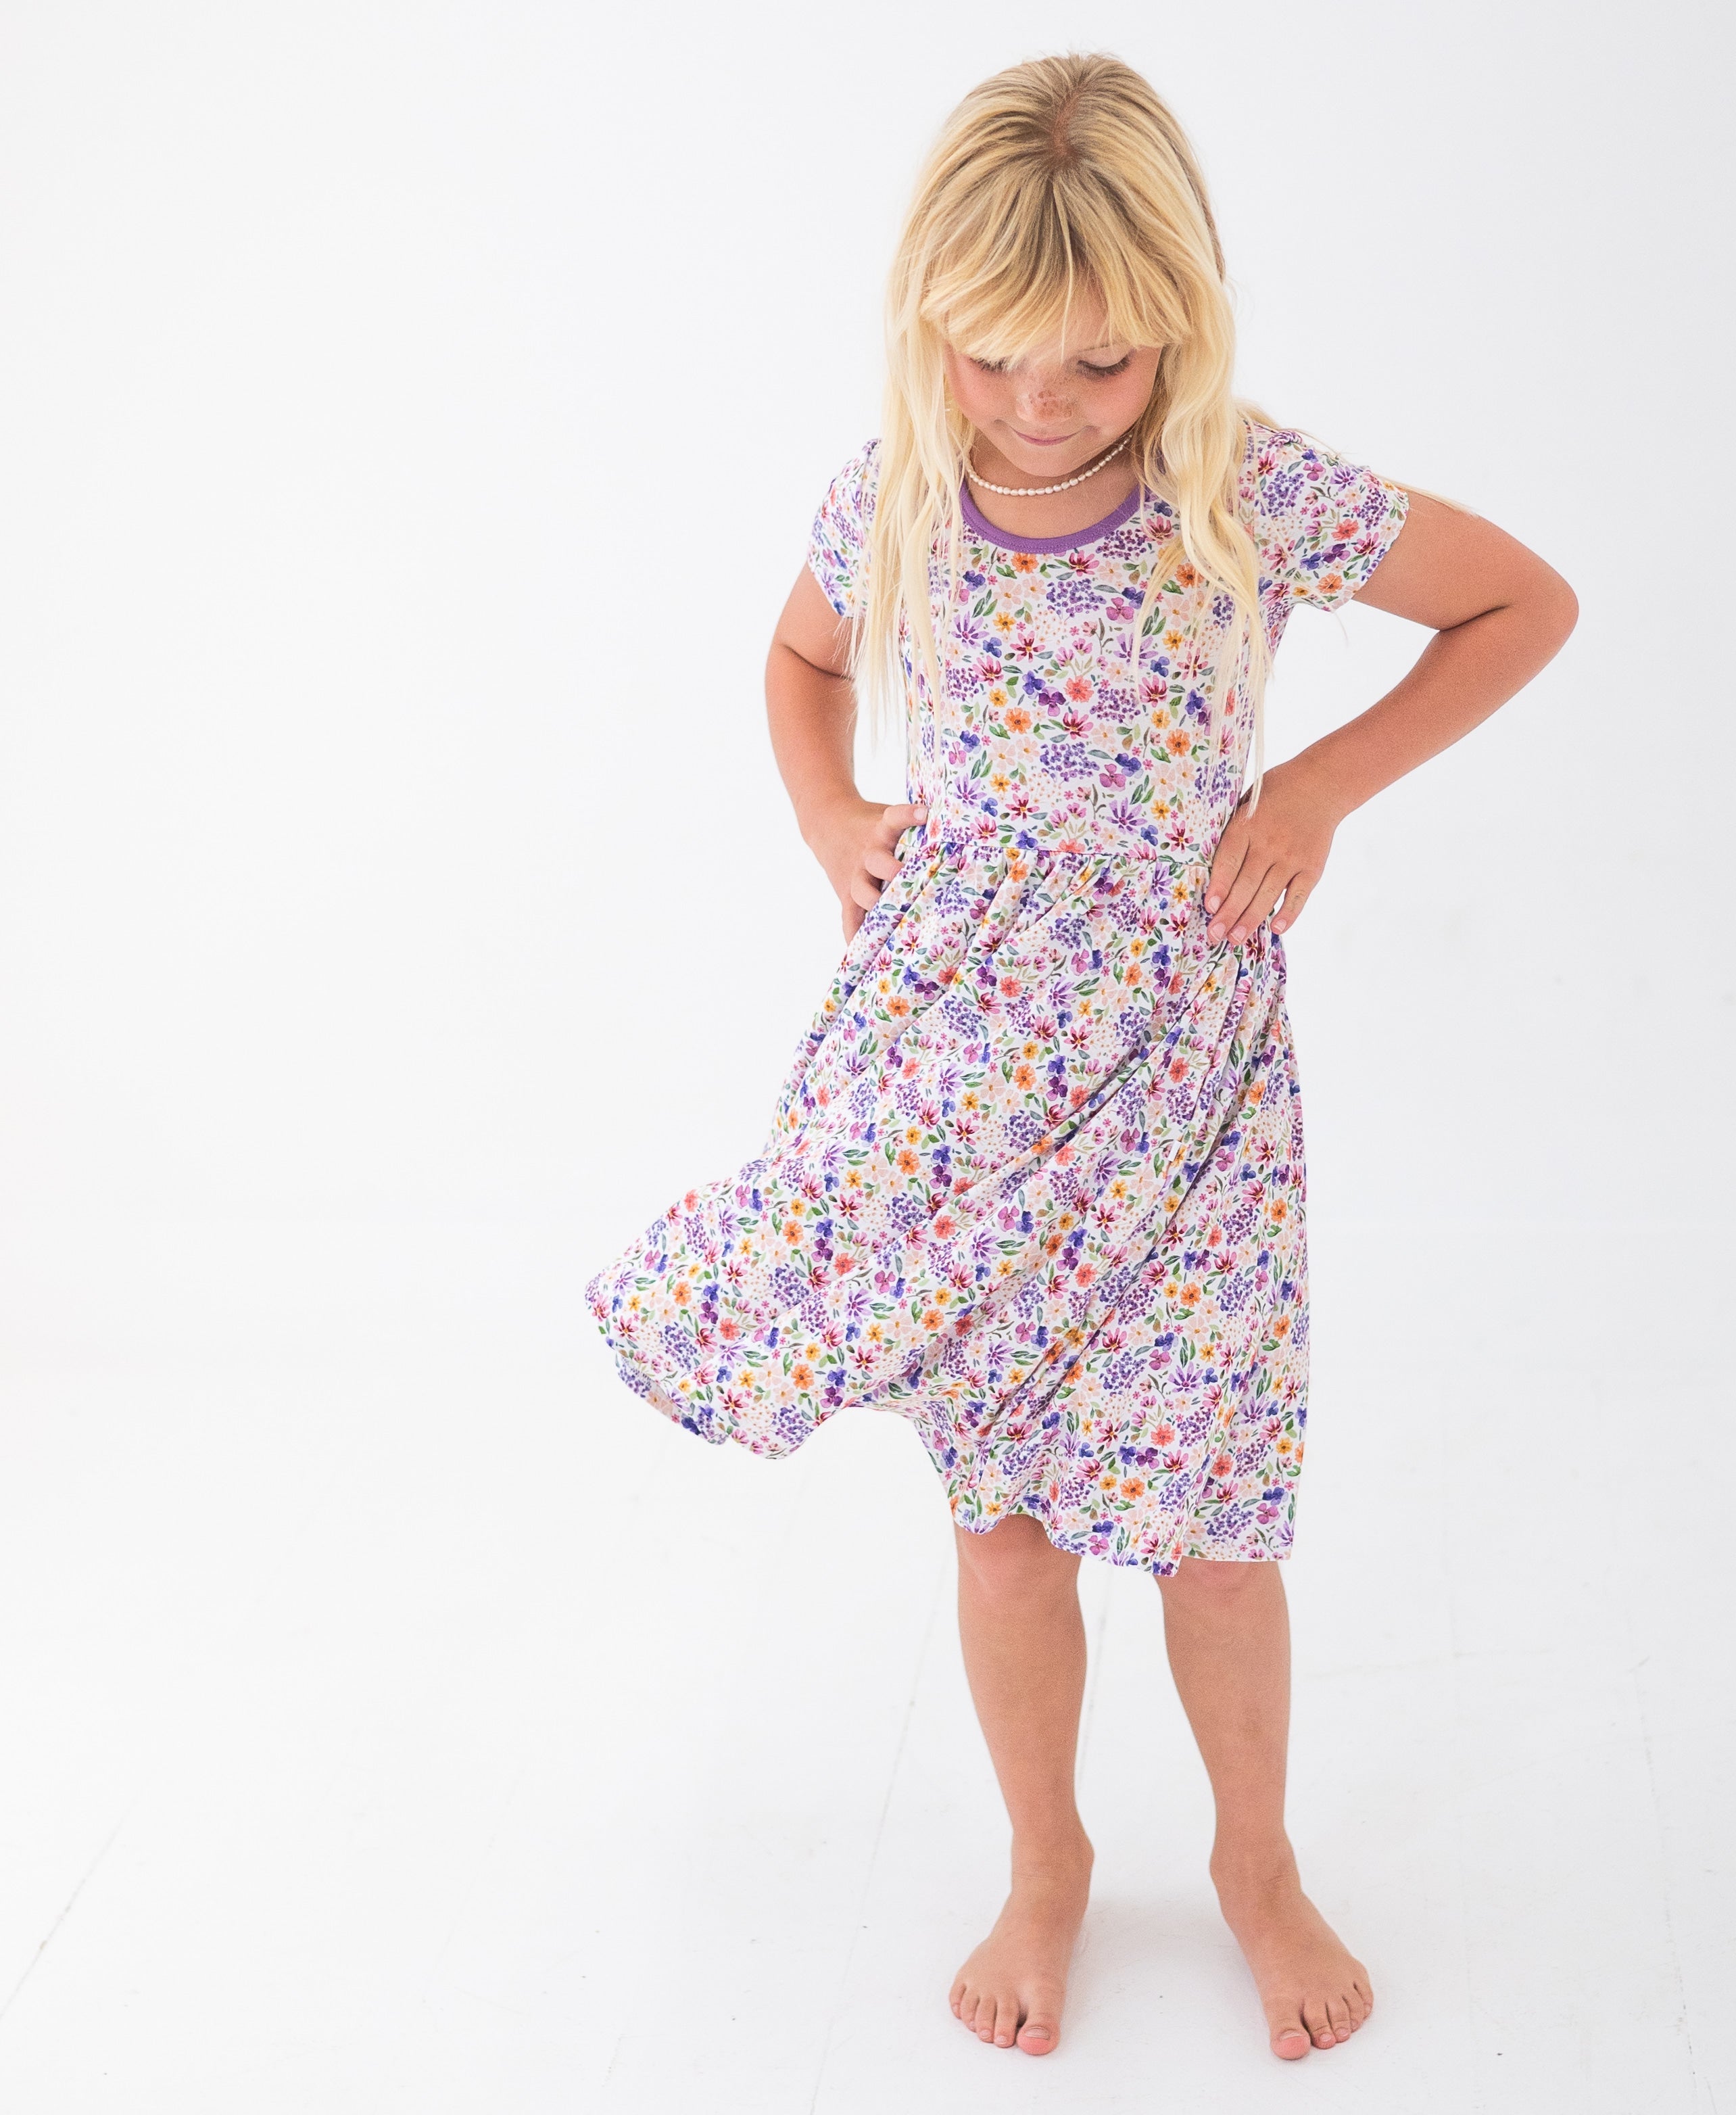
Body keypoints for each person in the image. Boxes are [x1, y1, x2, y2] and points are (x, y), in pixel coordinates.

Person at [585, 49, 1576, 2063]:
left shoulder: (1246, 493)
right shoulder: (897, 496)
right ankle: (1046, 1863)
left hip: (1187, 1078)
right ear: (927, 329)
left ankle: (1255, 1860)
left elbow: (1517, 605)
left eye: (1100, 367)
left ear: (1179, 334)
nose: (1041, 407)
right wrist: (825, 815)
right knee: (1003, 1525)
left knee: (1216, 1539)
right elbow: (795, 661)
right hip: (956, 1067)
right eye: (994, 360)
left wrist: (1312, 792)